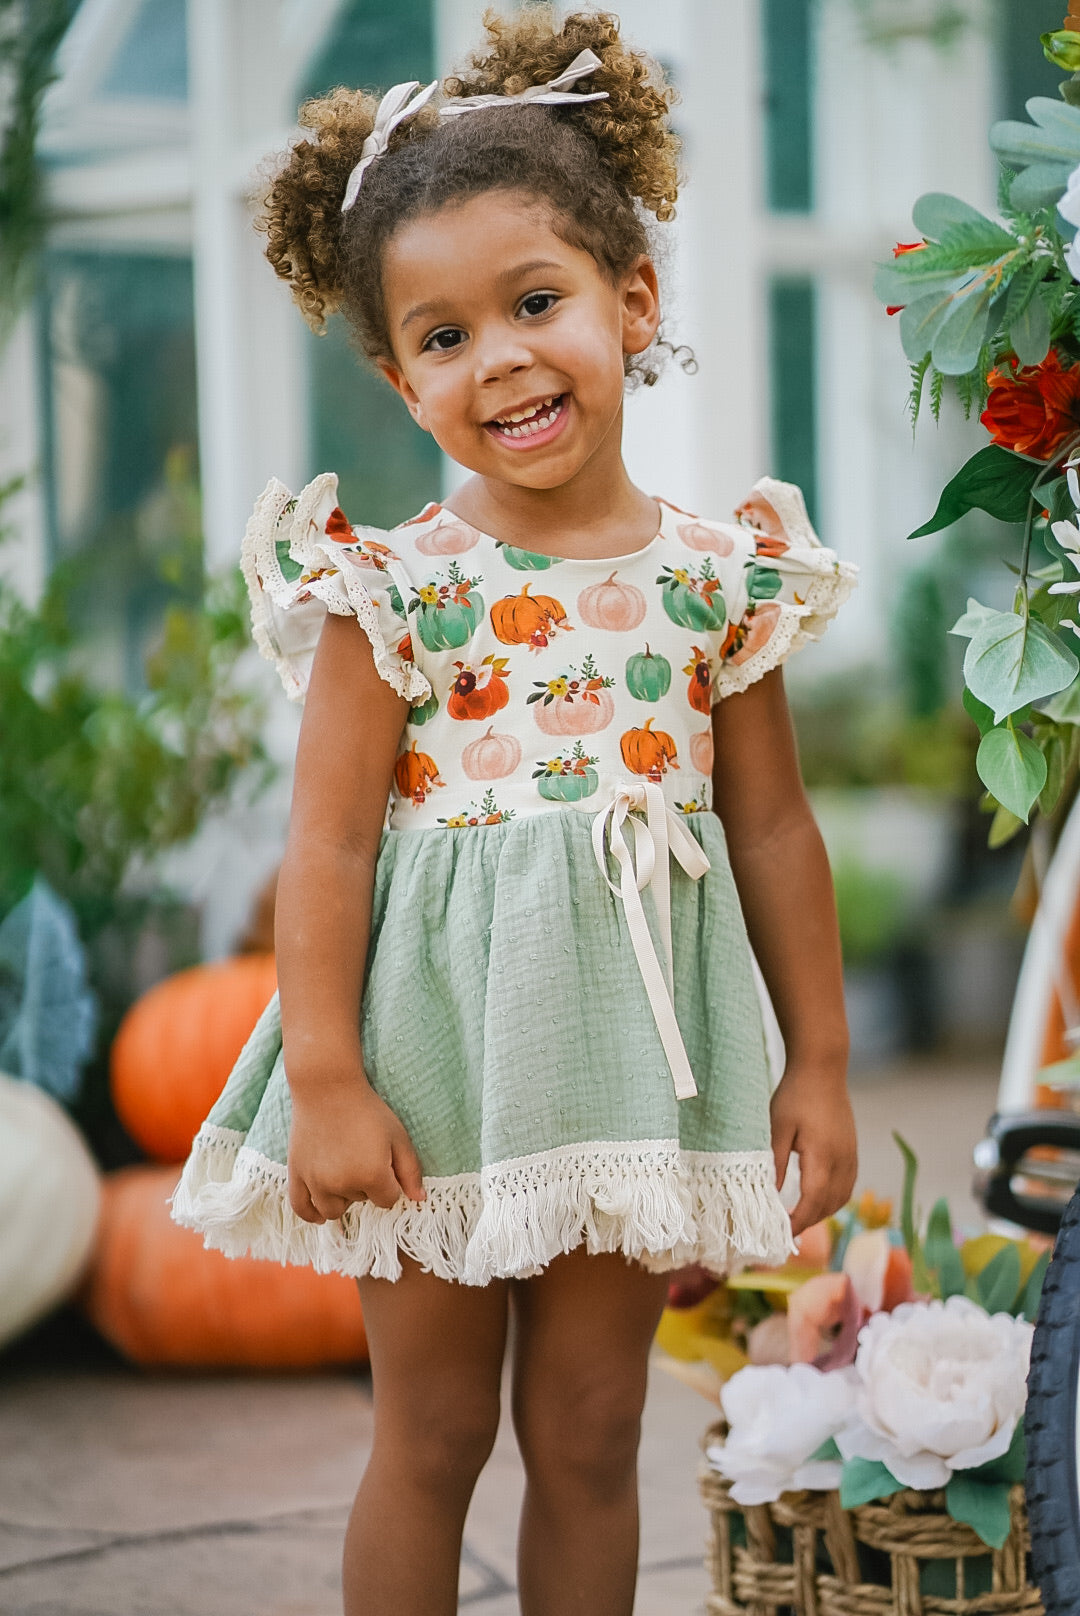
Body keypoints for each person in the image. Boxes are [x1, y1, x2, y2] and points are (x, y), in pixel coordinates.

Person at [172, 9, 859, 1614]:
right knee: (429, 1432)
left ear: (633, 302)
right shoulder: (393, 588)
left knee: (596, 1423)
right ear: (404, 381)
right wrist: (328, 1076)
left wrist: (818, 1062)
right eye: (442, 336)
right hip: (432, 1059)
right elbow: (330, 844)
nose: (501, 361)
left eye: (535, 304)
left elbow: (770, 831)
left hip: (622, 1052)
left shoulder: (716, 576)